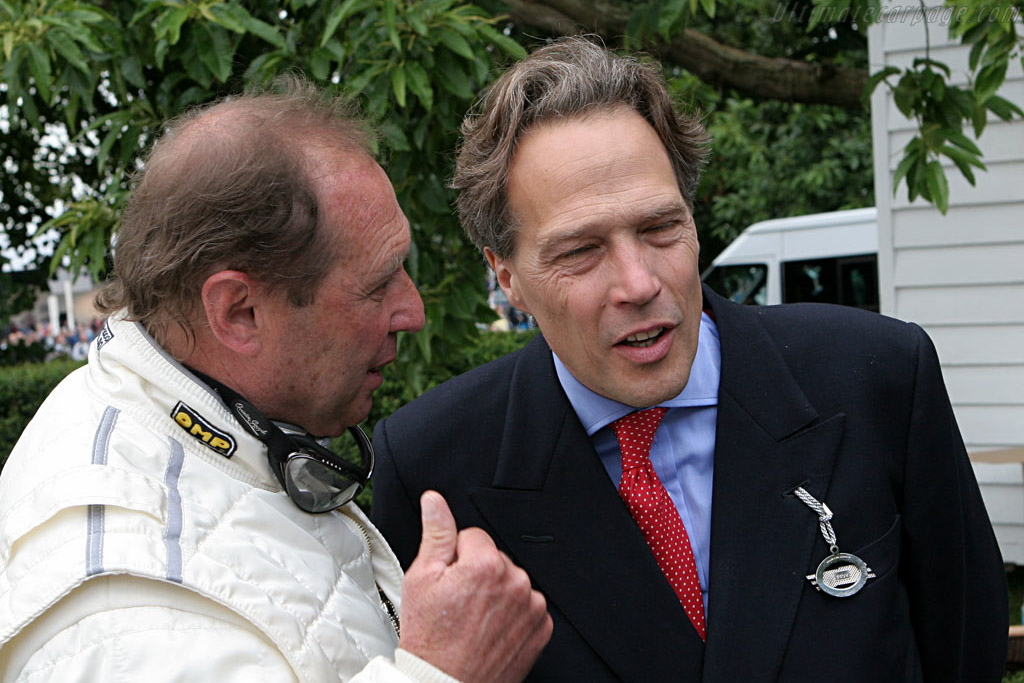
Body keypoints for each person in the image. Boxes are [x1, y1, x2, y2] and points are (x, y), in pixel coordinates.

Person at [369, 37, 1008, 681]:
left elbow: (965, 651)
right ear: (507, 276)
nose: (639, 282)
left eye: (659, 228)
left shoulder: (876, 379)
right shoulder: (433, 468)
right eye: (581, 251)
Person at [0, 79, 552, 682]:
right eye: (378, 284)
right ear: (238, 312)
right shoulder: (129, 621)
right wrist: (445, 672)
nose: (413, 312)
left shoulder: (194, 420)